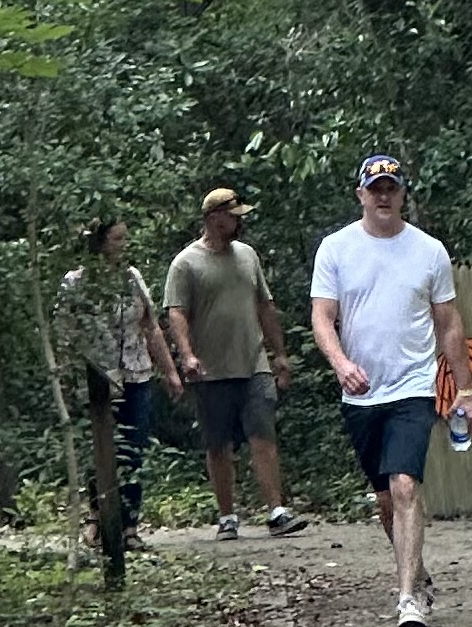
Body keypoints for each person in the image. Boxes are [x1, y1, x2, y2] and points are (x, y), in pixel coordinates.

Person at [310, 150, 470, 627]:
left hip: (413, 386)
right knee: (386, 500)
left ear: (403, 195)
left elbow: (449, 324)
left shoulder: (429, 251)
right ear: (360, 194)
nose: (384, 196)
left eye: (392, 188)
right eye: (375, 188)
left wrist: (464, 386)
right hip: (360, 393)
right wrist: (341, 365)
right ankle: (416, 572)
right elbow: (322, 317)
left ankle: (406, 600)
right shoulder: (336, 249)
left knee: (405, 485)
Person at [163, 186, 302, 537]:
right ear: (213, 218)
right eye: (233, 216)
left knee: (263, 435)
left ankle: (277, 511)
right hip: (211, 369)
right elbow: (175, 313)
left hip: (253, 362)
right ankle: (227, 516)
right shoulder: (186, 263)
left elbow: (264, 306)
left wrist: (280, 354)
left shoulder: (247, 256)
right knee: (218, 443)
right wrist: (187, 355)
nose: (239, 222)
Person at [56, 214, 180, 540]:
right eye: (117, 239)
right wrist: (66, 378)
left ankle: (129, 525)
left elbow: (151, 326)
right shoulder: (75, 283)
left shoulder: (132, 277)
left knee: (133, 447)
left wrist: (169, 371)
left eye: (126, 238)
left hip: (136, 371)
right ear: (99, 242)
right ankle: (98, 515)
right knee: (101, 445)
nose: (124, 245)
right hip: (97, 375)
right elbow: (65, 335)